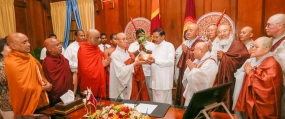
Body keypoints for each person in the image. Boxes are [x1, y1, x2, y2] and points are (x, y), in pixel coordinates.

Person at [234, 37, 283, 118]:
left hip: (264, 104)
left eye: (256, 47)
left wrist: (250, 73)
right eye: (252, 46)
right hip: (251, 99)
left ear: (266, 49)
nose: (252, 49)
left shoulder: (272, 63)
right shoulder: (251, 61)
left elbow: (267, 86)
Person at [5, 33, 52, 116]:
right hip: (25, 105)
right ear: (13, 45)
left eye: (28, 41)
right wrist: (42, 88)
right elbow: (20, 89)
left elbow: (40, 74)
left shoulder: (30, 57)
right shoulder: (10, 63)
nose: (29, 44)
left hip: (40, 101)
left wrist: (46, 82)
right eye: (24, 42)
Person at [211, 24, 250, 110]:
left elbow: (242, 60)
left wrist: (224, 58)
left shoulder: (238, 45)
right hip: (217, 78)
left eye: (225, 31)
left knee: (230, 99)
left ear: (231, 32)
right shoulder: (215, 45)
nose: (222, 34)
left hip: (233, 79)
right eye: (219, 32)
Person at [109, 33, 149, 100]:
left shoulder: (128, 53)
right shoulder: (115, 54)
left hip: (130, 82)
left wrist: (138, 65)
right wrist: (135, 64)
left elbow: (132, 68)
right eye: (123, 39)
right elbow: (121, 71)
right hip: (120, 84)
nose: (126, 41)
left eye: (126, 39)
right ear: (117, 41)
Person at [175, 23, 203, 105]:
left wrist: (187, 51)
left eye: (191, 30)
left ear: (197, 32)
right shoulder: (186, 42)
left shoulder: (200, 43)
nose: (188, 32)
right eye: (188, 30)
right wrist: (185, 51)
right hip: (184, 69)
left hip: (194, 71)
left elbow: (200, 56)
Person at [182, 42, 218, 106]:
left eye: (194, 50)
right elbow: (187, 77)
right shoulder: (198, 60)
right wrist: (191, 68)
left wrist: (193, 69)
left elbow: (203, 81)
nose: (193, 52)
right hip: (192, 95)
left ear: (201, 51)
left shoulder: (210, 63)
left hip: (202, 98)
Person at [77, 29, 111, 98]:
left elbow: (101, 59)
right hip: (90, 84)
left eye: (99, 37)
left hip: (100, 80)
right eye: (97, 38)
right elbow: (86, 70)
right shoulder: (83, 50)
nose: (100, 40)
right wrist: (102, 65)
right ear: (90, 38)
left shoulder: (96, 48)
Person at [42, 38, 74, 106]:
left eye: (60, 44)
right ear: (49, 48)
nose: (60, 46)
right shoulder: (48, 62)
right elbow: (53, 81)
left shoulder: (61, 57)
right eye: (57, 45)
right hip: (57, 96)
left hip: (68, 93)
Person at [265, 13, 285, 118]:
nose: (266, 28)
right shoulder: (270, 41)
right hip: (268, 86)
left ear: (280, 25)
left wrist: (264, 55)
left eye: (269, 25)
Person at [147, 28, 175, 104]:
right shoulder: (155, 47)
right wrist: (150, 61)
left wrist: (155, 61)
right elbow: (154, 60)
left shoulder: (169, 46)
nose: (155, 39)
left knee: (164, 104)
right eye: (154, 37)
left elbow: (170, 62)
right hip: (155, 79)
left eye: (157, 37)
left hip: (164, 80)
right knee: (156, 103)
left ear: (163, 36)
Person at [128, 29, 156, 101]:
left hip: (148, 72)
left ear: (144, 36)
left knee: (149, 91)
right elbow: (130, 56)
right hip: (136, 72)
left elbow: (155, 54)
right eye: (138, 37)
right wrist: (139, 50)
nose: (140, 38)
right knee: (138, 91)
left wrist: (145, 50)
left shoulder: (151, 44)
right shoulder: (132, 45)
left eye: (142, 36)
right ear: (136, 37)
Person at [64, 30, 85, 94]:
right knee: (77, 92)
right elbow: (66, 60)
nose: (83, 37)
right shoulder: (71, 47)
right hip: (76, 73)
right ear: (75, 37)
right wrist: (79, 66)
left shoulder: (87, 45)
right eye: (81, 36)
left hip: (86, 73)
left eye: (84, 35)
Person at [0, 38, 13, 119]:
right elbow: (4, 80)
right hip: (8, 104)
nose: (12, 49)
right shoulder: (1, 64)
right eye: (9, 47)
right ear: (1, 51)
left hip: (23, 102)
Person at [103, 33, 117, 97]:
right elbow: (106, 63)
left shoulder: (122, 50)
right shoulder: (107, 50)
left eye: (118, 39)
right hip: (110, 73)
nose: (117, 40)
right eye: (115, 39)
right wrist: (111, 72)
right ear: (111, 41)